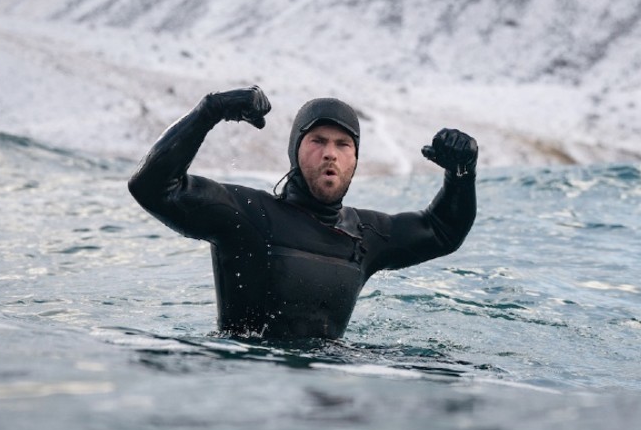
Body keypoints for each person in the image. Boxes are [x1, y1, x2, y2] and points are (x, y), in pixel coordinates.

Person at [127, 86, 478, 340]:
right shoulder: (247, 214)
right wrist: (209, 111)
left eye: (343, 145)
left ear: (355, 160)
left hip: (335, 380)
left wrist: (462, 173)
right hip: (247, 381)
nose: (331, 154)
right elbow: (153, 187)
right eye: (318, 141)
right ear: (296, 150)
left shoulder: (366, 236)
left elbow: (443, 230)